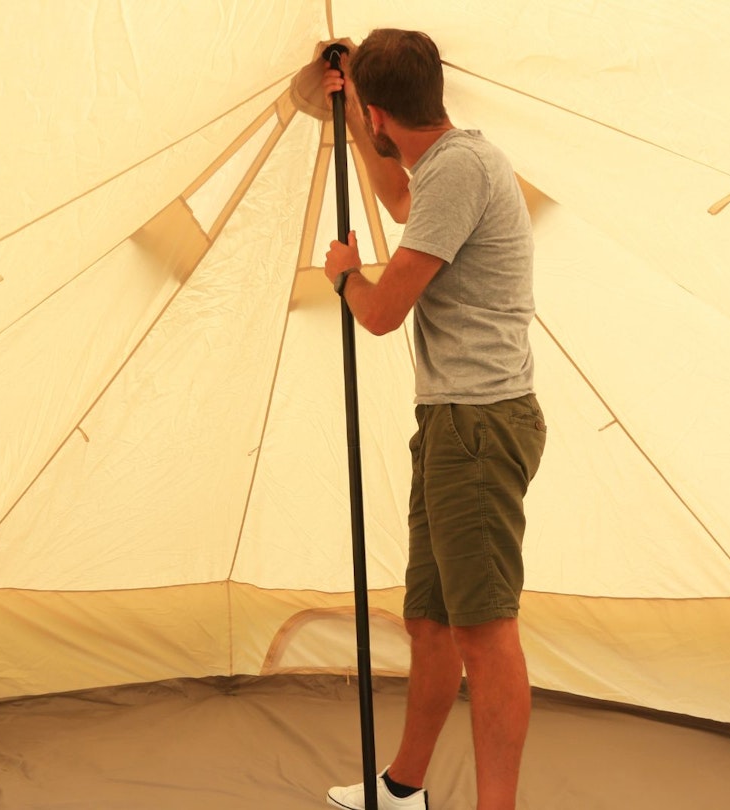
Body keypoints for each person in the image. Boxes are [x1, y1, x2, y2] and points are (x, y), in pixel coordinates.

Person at [320, 29, 547, 810]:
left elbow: (382, 313)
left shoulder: (459, 171)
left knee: (484, 635)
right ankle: (403, 789)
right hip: (455, 424)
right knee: (430, 622)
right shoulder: (453, 163)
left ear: (387, 112)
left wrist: (346, 277)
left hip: (479, 428)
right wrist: (351, 110)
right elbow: (397, 196)